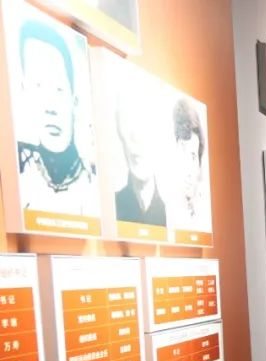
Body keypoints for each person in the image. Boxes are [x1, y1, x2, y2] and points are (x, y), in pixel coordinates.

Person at [15, 19, 99, 218]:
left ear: (74, 100)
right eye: (38, 86)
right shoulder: (23, 174)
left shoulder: (93, 186)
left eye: (59, 89)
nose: (50, 108)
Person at [114, 88, 166, 227]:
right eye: (127, 120)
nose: (136, 137)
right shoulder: (112, 208)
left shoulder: (171, 212)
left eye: (145, 122)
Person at [170, 97, 210, 230]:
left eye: (193, 156)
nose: (188, 169)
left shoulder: (204, 214)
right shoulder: (170, 209)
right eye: (183, 155)